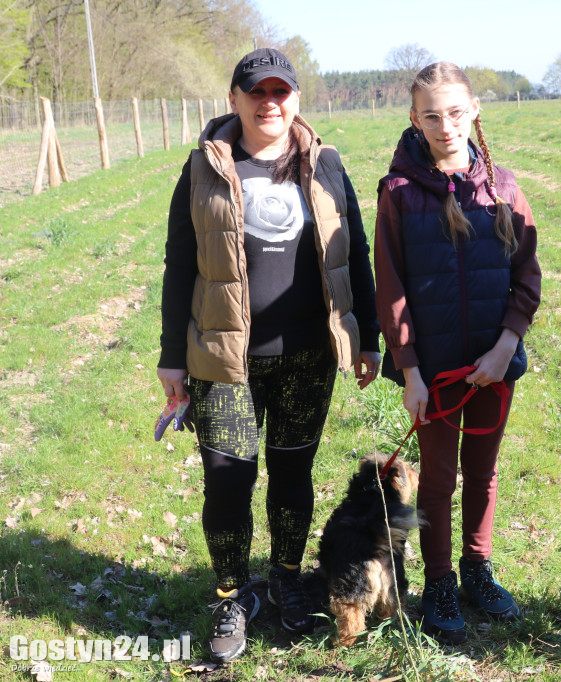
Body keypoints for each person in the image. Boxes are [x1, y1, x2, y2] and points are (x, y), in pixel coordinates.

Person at [156, 47, 381, 663]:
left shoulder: (327, 165)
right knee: (228, 480)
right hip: (223, 361)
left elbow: (354, 252)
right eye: (256, 92)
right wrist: (172, 354)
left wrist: (368, 338)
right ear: (234, 99)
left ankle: (284, 576)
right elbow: (180, 264)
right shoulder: (203, 168)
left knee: (292, 474)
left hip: (307, 356)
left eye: (281, 91)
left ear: (296, 101)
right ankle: (231, 594)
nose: (269, 102)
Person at [374, 62, 542, 644]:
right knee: (439, 478)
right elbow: (390, 287)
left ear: (474, 110)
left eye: (454, 112)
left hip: (494, 363)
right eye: (431, 115)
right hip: (435, 371)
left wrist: (505, 347)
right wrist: (411, 372)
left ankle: (477, 568)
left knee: (483, 471)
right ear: (414, 120)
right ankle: (439, 581)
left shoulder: (505, 187)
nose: (445, 126)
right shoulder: (397, 193)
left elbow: (527, 276)